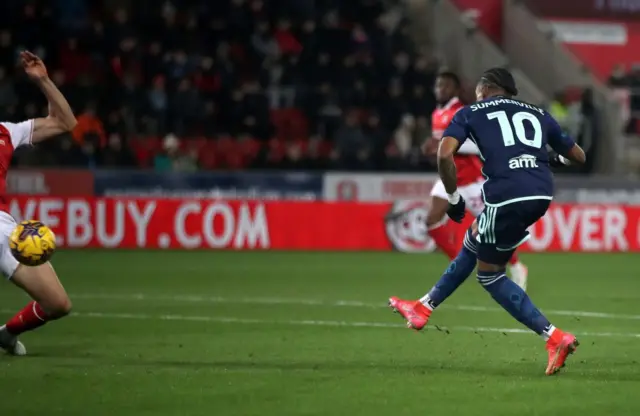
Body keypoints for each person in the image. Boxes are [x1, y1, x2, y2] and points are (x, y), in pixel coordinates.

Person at [390, 68, 586, 375]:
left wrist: (453, 197)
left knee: (490, 276)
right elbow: (579, 156)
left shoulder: (471, 111)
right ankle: (423, 307)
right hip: (540, 195)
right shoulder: (538, 112)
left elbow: (444, 155)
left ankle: (555, 337)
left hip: (506, 193)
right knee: (474, 238)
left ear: (485, 89)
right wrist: (551, 157)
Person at [0, 51, 77, 355]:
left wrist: (43, 80)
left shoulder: (6, 131)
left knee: (57, 304)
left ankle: (6, 334)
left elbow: (65, 122)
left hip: (2, 229)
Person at [424, 71, 529, 289]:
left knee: (492, 229)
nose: (440, 90)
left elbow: (478, 144)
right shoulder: (437, 113)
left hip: (471, 180)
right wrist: (432, 145)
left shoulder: (463, 112)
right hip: (449, 178)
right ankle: (458, 264)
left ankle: (517, 266)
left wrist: (446, 145)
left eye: (445, 86)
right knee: (432, 219)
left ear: (455, 90)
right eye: (438, 86)